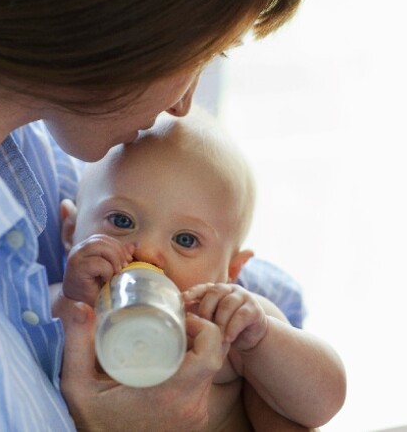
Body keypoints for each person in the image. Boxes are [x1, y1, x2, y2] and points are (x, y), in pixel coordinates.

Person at [0, 0, 313, 431]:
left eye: (183, 240)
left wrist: (262, 341)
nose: (182, 105)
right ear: (138, 16)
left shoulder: (39, 148)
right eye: (199, 54)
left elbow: (278, 305)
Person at [57, 109, 347, 430]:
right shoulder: (59, 305)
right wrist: (77, 301)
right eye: (122, 221)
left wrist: (260, 339)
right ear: (70, 231)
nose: (148, 252)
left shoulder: (228, 325)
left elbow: (324, 403)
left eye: (185, 239)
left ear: (231, 270)